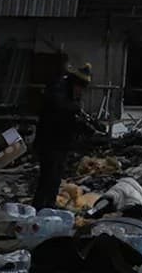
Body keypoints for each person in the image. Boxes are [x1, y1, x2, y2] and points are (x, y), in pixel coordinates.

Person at [33, 62, 98, 208]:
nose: (80, 92)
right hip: (50, 141)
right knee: (47, 178)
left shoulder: (70, 95)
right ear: (75, 83)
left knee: (55, 179)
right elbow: (60, 111)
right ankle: (38, 207)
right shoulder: (59, 90)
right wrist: (76, 116)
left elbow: (70, 117)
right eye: (80, 88)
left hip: (62, 143)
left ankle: (48, 206)